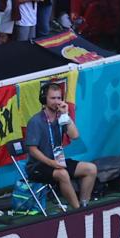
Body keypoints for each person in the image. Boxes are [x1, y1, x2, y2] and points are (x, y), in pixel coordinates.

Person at [23, 80, 96, 210]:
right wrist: (51, 163)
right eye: (53, 98)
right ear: (44, 99)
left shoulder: (61, 118)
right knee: (62, 174)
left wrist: (65, 115)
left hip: (58, 162)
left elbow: (74, 136)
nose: (57, 101)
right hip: (38, 167)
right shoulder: (36, 121)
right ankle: (77, 210)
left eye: (59, 98)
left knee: (91, 169)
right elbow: (32, 150)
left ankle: (84, 204)